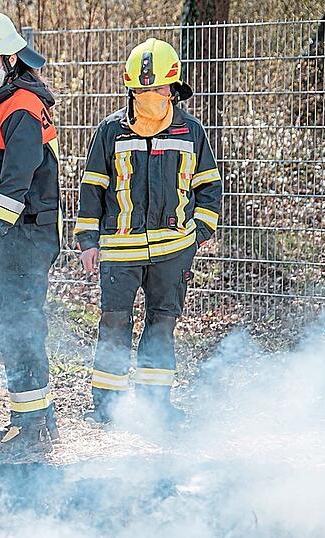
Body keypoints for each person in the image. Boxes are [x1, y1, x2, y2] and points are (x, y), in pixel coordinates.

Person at [74, 38, 223, 427]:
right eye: (142, 90)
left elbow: (209, 185)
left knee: (162, 324)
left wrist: (200, 231)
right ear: (130, 90)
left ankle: (155, 406)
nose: (150, 96)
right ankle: (107, 406)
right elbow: (92, 188)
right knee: (114, 324)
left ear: (172, 88)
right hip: (120, 252)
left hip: (173, 252)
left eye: (157, 89)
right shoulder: (111, 131)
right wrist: (87, 241)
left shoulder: (191, 131)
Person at [0, 12, 62, 461]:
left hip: (25, 240)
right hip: (17, 239)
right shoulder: (8, 104)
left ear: (10, 60)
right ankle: (37, 418)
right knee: (21, 327)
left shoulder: (20, 107)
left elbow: (15, 185)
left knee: (20, 330)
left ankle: (31, 428)